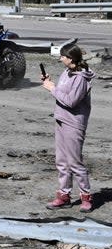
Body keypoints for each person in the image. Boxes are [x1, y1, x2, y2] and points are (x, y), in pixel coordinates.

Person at [41, 42, 95, 212]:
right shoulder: (67, 72)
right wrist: (50, 83)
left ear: (70, 58)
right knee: (62, 161)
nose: (60, 58)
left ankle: (86, 197)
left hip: (74, 123)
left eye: (62, 56)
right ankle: (64, 196)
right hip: (61, 119)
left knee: (74, 162)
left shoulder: (80, 78)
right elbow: (62, 93)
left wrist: (52, 88)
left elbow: (71, 101)